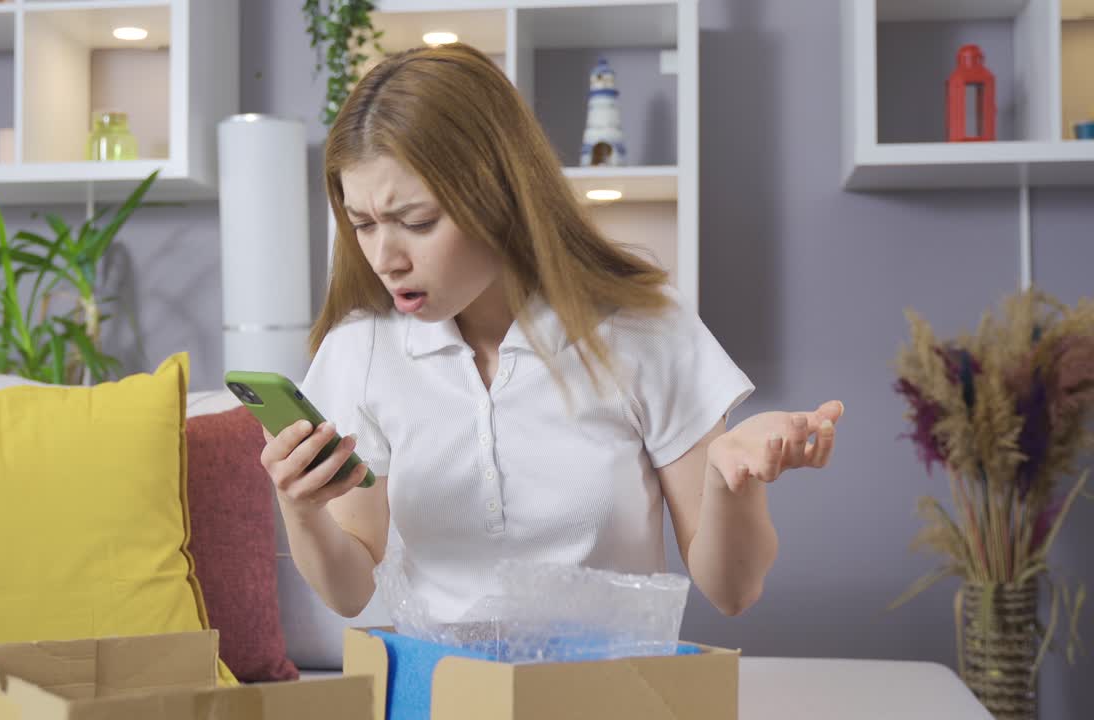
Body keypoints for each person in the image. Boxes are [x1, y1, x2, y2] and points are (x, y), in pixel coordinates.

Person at [260, 43, 843, 623]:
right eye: (362, 224)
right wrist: (301, 508)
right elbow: (350, 591)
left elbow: (733, 591)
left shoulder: (642, 326)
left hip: (611, 677)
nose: (386, 259)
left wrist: (729, 480)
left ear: (500, 195)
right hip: (441, 678)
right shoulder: (363, 348)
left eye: (417, 221)